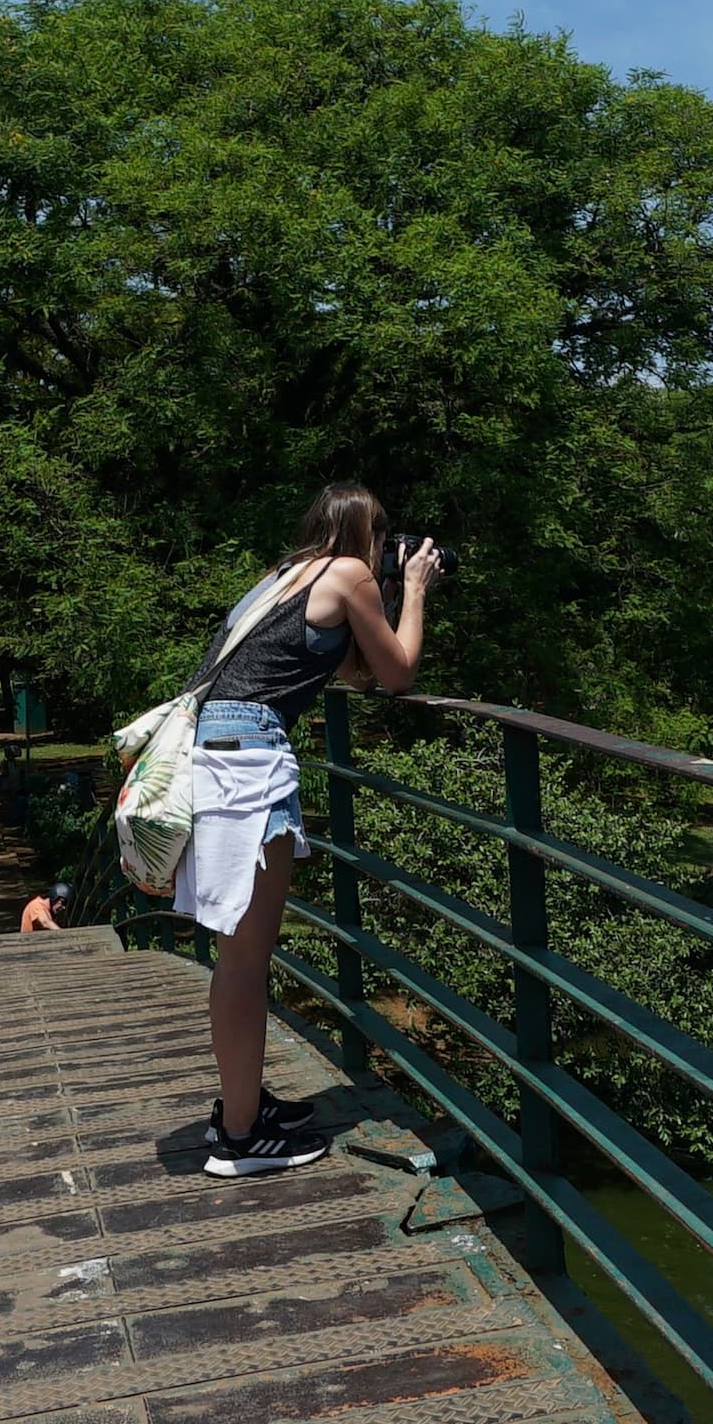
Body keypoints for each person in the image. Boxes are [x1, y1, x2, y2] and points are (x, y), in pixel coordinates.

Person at [182, 483, 434, 1177]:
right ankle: (240, 1138)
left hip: (222, 751)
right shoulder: (351, 573)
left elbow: (339, 664)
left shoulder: (282, 578)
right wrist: (412, 588)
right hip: (250, 762)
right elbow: (397, 673)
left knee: (239, 954)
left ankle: (245, 1106)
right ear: (369, 537)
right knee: (244, 958)